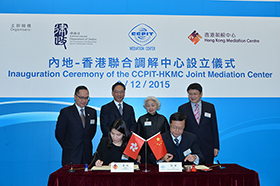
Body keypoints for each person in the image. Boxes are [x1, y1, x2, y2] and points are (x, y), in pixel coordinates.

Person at [55, 85, 97, 166]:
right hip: (71, 154)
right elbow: (59, 133)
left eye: (86, 98)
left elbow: (92, 132)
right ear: (75, 97)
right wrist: (69, 146)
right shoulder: (66, 112)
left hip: (87, 155)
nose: (84, 100)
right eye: (81, 97)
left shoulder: (92, 112)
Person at [178, 83, 219, 164]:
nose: (192, 96)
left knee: (207, 172)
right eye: (190, 94)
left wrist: (216, 146)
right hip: (190, 147)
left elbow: (214, 127)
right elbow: (181, 129)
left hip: (207, 146)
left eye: (195, 94)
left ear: (201, 94)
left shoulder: (210, 107)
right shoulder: (182, 108)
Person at [136, 96, 169, 163]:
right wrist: (137, 154)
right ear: (145, 107)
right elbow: (137, 137)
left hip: (160, 150)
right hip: (145, 151)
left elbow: (167, 136)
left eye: (153, 105)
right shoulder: (141, 119)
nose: (150, 108)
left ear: (157, 106)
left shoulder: (162, 119)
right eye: (148, 106)